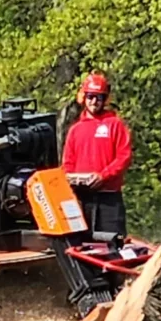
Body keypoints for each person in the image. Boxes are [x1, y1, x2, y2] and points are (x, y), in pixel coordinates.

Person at [63, 71, 134, 237]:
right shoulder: (75, 130)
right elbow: (67, 164)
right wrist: (71, 180)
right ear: (83, 97)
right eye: (91, 96)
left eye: (99, 97)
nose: (94, 101)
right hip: (81, 199)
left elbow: (124, 156)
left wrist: (103, 176)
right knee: (81, 246)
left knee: (113, 244)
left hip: (108, 198)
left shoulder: (115, 125)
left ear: (105, 99)